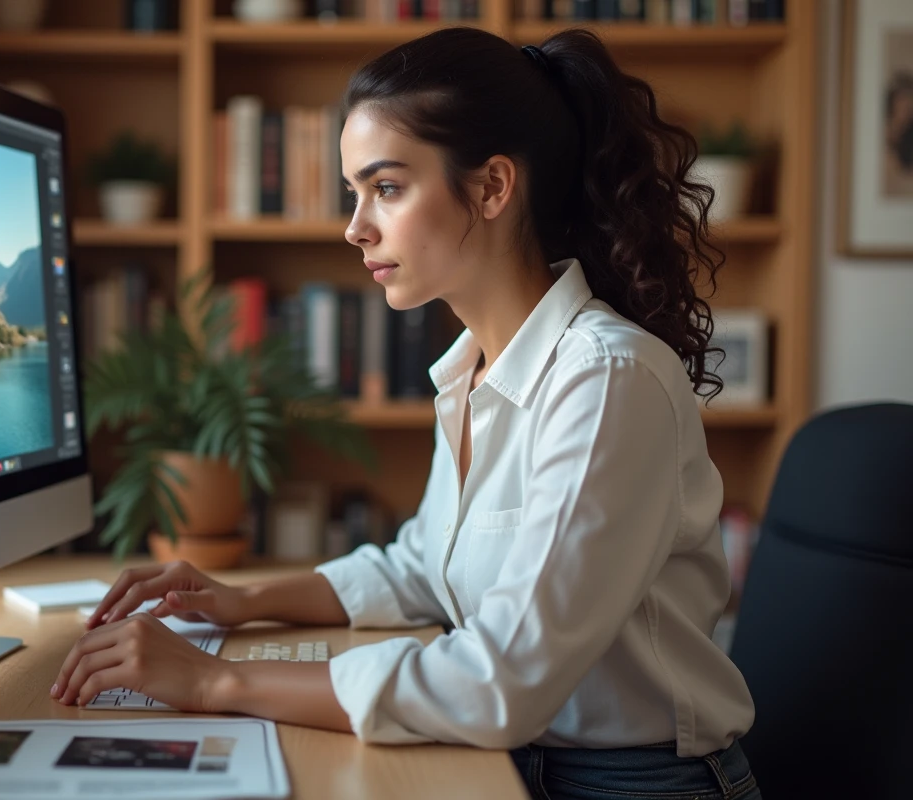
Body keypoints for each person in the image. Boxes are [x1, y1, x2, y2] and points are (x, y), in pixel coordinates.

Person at [52, 26, 761, 800]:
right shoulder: (470, 370)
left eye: (385, 188)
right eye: (355, 193)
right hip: (521, 763)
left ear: (492, 187)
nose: (355, 227)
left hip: (634, 784)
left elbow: (499, 681)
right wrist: (240, 600)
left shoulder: (605, 382)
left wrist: (216, 682)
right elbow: (423, 566)